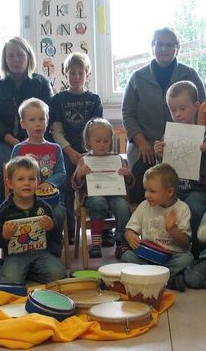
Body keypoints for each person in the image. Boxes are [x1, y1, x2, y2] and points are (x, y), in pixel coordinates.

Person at [122, 27, 205, 204]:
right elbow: (128, 114)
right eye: (159, 44)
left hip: (182, 143)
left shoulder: (190, 74)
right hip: (143, 145)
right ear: (152, 47)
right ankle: (139, 221)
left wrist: (191, 138)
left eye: (169, 45)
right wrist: (143, 143)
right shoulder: (137, 77)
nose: (164, 49)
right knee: (139, 182)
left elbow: (202, 109)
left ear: (178, 47)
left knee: (181, 186)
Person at [153, 81, 206, 256]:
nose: (178, 114)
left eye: (182, 109)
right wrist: (159, 155)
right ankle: (161, 248)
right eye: (173, 110)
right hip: (172, 190)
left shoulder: (205, 135)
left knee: (195, 208)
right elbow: (160, 172)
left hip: (196, 190)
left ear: (195, 106)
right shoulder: (167, 135)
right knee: (153, 204)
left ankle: (198, 250)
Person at [0, 37, 53, 186]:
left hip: (36, 140)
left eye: (20, 55)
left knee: (48, 165)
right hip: (0, 142)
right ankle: (7, 208)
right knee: (12, 167)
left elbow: (50, 116)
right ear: (5, 59)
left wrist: (32, 140)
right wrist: (10, 139)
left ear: (28, 57)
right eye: (11, 56)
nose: (16, 60)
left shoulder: (41, 83)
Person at [49, 52, 103, 246]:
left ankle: (104, 231)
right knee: (66, 189)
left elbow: (98, 130)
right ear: (65, 73)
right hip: (66, 154)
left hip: (92, 153)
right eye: (72, 73)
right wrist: (70, 152)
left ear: (87, 74)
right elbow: (56, 131)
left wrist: (87, 154)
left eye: (81, 73)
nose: (76, 77)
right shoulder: (57, 101)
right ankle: (69, 230)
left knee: (100, 188)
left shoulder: (95, 100)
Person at [0, 156, 67, 283]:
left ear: (38, 182)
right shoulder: (5, 209)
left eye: (32, 179)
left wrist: (51, 227)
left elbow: (57, 237)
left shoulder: (44, 207)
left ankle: (28, 274)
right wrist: (4, 235)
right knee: (10, 279)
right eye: (20, 179)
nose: (27, 183)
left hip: (41, 254)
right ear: (9, 183)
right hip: (15, 256)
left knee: (58, 273)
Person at [122, 163, 194, 292]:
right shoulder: (144, 206)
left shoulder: (182, 209)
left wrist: (173, 229)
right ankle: (166, 280)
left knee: (187, 258)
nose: (147, 195)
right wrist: (131, 236)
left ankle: (148, 278)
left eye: (152, 191)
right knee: (127, 256)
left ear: (170, 192)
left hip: (170, 257)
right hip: (146, 257)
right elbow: (129, 230)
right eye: (146, 190)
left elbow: (185, 244)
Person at [10, 98, 66, 257]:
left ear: (47, 121)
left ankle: (54, 245)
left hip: (52, 201)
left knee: (59, 213)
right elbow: (12, 174)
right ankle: (27, 249)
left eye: (42, 119)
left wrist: (49, 182)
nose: (38, 124)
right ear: (23, 123)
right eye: (32, 120)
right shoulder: (19, 149)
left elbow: (61, 173)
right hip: (24, 200)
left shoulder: (55, 148)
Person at [71, 118, 133, 259]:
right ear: (89, 141)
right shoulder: (84, 159)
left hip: (115, 195)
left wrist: (127, 175)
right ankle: (96, 244)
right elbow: (74, 184)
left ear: (111, 141)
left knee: (122, 205)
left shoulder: (118, 159)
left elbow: (130, 184)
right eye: (98, 141)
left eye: (106, 141)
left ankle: (121, 242)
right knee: (98, 202)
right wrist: (80, 174)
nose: (102, 144)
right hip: (94, 197)